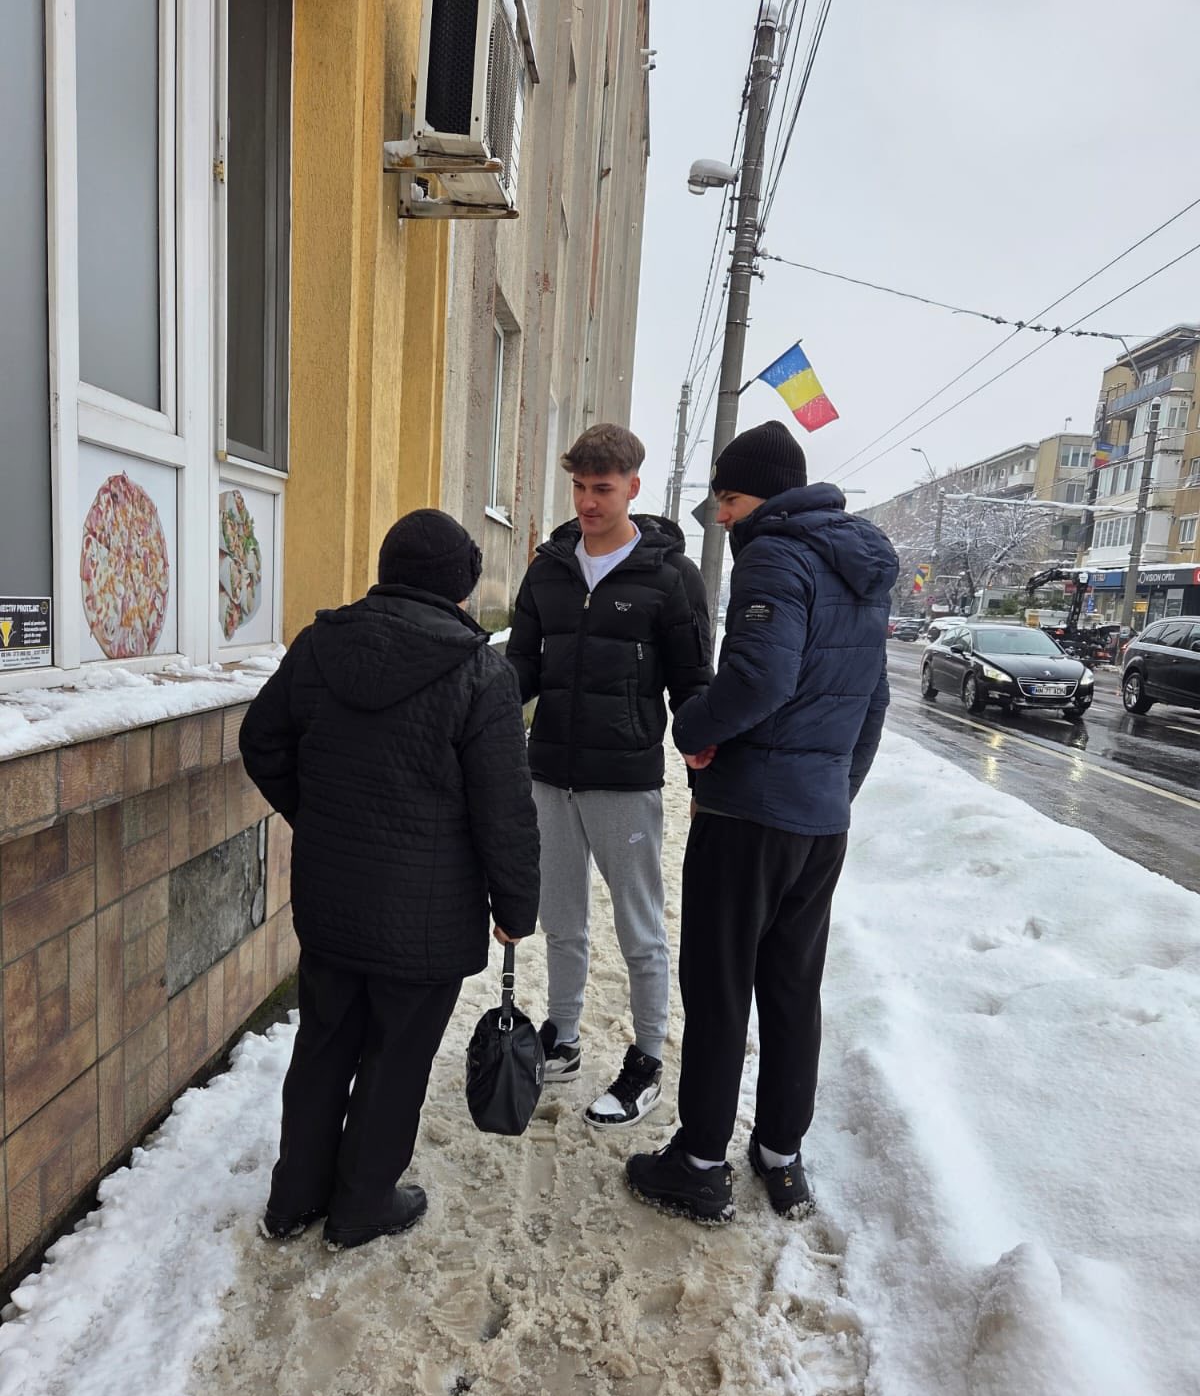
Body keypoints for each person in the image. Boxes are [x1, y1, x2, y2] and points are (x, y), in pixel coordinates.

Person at [239, 510, 539, 1250]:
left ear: (387, 570)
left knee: (323, 1045)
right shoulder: (481, 674)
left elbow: (262, 740)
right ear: (462, 587)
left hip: (333, 901)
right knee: (396, 1057)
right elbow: (504, 809)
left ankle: (294, 1196)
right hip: (425, 920)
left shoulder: (319, 647)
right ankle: (362, 1203)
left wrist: (318, 817)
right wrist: (516, 905)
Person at [625, 420, 899, 1223]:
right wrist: (834, 792)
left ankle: (700, 1163)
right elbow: (873, 703)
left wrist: (691, 728)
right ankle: (781, 1157)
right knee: (791, 989)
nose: (721, 515)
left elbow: (758, 680)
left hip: (748, 819)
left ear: (768, 497)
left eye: (731, 499)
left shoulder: (777, 553)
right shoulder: (858, 567)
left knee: (718, 988)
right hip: (818, 825)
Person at [507, 423, 711, 1127]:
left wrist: (703, 763)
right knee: (560, 919)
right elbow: (522, 667)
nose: (588, 503)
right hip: (549, 774)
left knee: (639, 927)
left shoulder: (670, 577)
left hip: (624, 781)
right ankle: (562, 1039)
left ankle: (647, 1058)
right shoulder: (548, 569)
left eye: (602, 488)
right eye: (579, 487)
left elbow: (693, 684)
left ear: (632, 487)